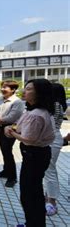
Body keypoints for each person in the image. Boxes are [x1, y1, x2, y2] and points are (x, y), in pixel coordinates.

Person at [4, 79, 54, 226]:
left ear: (40, 93)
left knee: (30, 194)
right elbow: (19, 128)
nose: (25, 91)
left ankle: (34, 223)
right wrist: (12, 129)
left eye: (30, 89)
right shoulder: (33, 111)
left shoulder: (36, 114)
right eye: (25, 88)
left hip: (35, 155)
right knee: (31, 192)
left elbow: (28, 139)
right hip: (35, 155)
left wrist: (12, 133)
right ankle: (32, 222)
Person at [0, 80, 25, 188]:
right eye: (2, 87)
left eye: (5, 87)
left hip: (10, 128)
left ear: (13, 90)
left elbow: (12, 117)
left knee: (8, 152)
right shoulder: (0, 99)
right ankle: (6, 171)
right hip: (0, 127)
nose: (2, 89)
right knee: (4, 150)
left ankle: (12, 178)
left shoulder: (17, 102)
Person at [43, 83, 66, 216]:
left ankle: (52, 203)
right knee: (50, 170)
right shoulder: (59, 104)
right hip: (54, 137)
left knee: (49, 170)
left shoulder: (55, 105)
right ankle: (49, 198)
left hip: (51, 138)